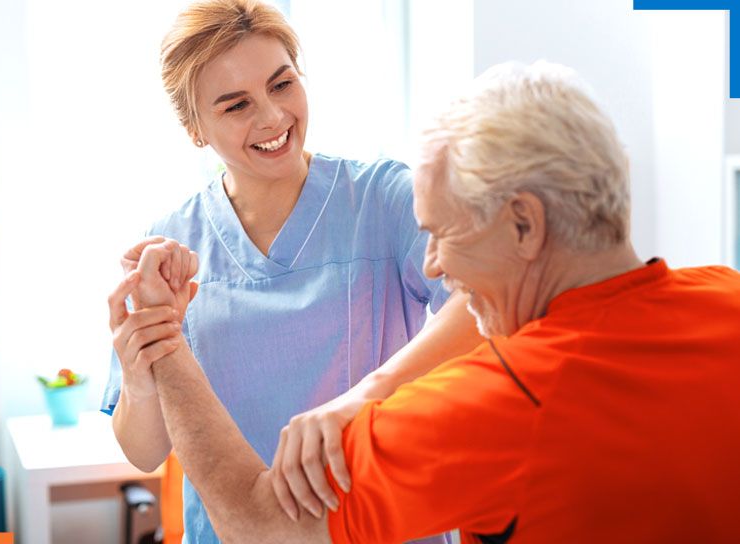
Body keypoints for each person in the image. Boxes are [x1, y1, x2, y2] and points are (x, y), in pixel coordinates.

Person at [110, 60, 740, 543]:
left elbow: (262, 524)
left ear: (524, 225)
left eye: (442, 232)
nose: (434, 264)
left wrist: (165, 341)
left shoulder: (497, 402)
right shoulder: (726, 297)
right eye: (235, 103)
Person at [101, 1, 482, 542]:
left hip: (374, 524)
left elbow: (483, 304)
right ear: (194, 128)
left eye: (281, 85)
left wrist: (366, 395)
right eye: (236, 106)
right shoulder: (171, 243)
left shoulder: (383, 199)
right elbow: (144, 452)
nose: (272, 118)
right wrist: (140, 374)